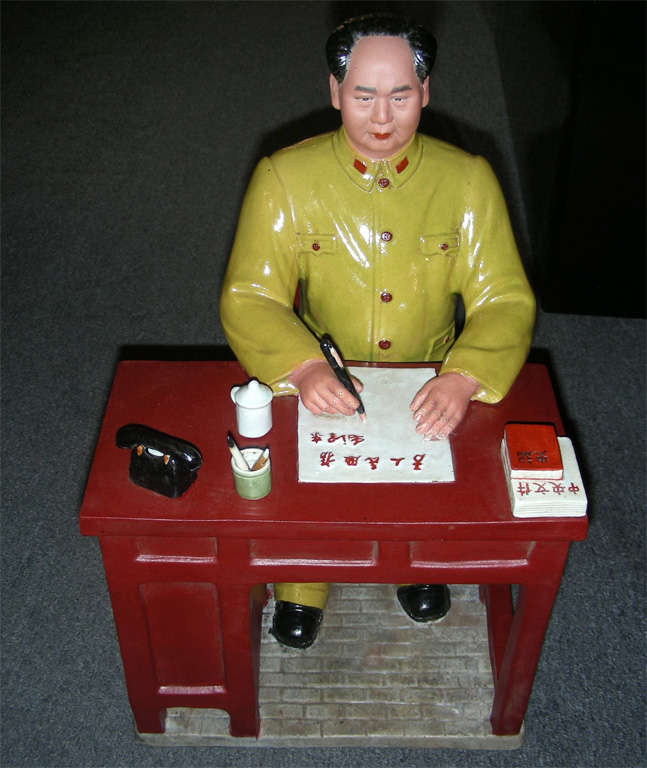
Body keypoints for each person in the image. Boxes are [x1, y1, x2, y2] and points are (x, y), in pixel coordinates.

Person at [220, 13, 535, 649]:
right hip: (316, 369)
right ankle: (303, 579)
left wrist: (465, 373)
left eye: (401, 94)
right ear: (335, 92)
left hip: (430, 373)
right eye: (363, 95)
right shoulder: (285, 178)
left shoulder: (467, 181)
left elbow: (503, 296)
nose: (382, 116)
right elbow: (251, 296)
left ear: (427, 91)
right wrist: (302, 366)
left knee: (421, 480)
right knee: (309, 487)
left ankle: (413, 562)